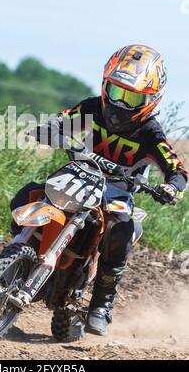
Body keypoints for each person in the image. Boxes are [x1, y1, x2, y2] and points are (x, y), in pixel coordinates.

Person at [10, 45, 188, 336]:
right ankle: (22, 258)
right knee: (26, 195)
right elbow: (64, 117)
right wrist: (49, 127)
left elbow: (177, 168)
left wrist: (170, 187)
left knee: (121, 230)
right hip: (79, 174)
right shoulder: (93, 108)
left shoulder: (150, 133)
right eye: (117, 93)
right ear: (106, 86)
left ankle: (101, 303)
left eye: (132, 98)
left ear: (151, 99)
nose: (121, 104)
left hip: (117, 192)